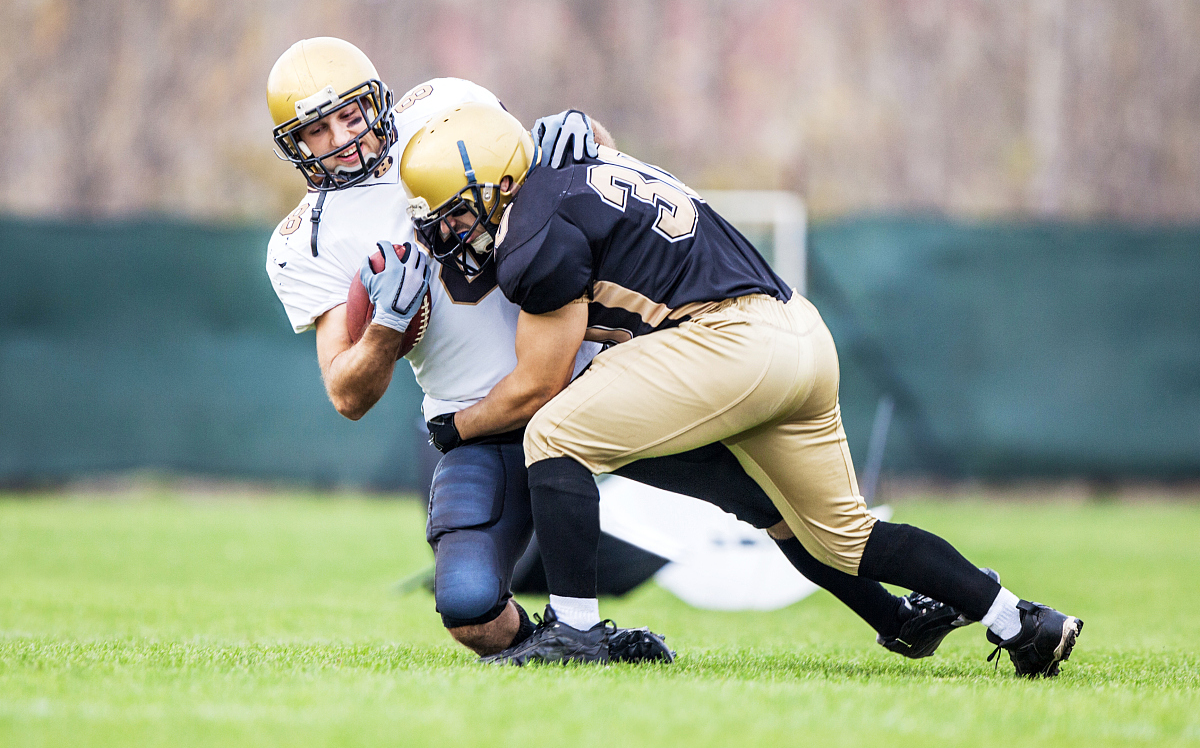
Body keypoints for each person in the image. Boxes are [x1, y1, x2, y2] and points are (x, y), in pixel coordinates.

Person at [263, 38, 993, 664]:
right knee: (469, 609)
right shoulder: (309, 240)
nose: (341, 137)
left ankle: (897, 619)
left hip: (592, 379)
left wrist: (588, 130)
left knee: (765, 500)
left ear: (378, 99)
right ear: (296, 146)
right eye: (316, 130)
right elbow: (347, 392)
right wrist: (386, 331)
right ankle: (580, 642)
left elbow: (562, 182)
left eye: (349, 113)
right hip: (483, 420)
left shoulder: (448, 106)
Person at [399, 103, 1084, 676]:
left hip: (727, 342)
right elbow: (598, 162)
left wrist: (456, 427)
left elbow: (538, 384)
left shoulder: (533, 234)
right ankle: (1019, 622)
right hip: (798, 335)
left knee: (556, 432)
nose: (450, 233)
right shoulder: (582, 170)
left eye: (456, 215)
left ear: (499, 184)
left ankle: (574, 630)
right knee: (841, 534)